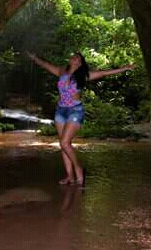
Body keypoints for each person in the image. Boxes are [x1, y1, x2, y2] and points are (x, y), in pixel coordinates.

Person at [26, 51, 134, 187]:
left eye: (77, 57)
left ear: (80, 63)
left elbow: (105, 73)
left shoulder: (84, 75)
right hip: (60, 111)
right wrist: (35, 58)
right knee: (63, 144)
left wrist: (125, 68)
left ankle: (78, 169)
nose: (74, 57)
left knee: (65, 143)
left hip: (75, 111)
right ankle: (69, 177)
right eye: (73, 55)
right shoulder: (62, 71)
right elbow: (46, 65)